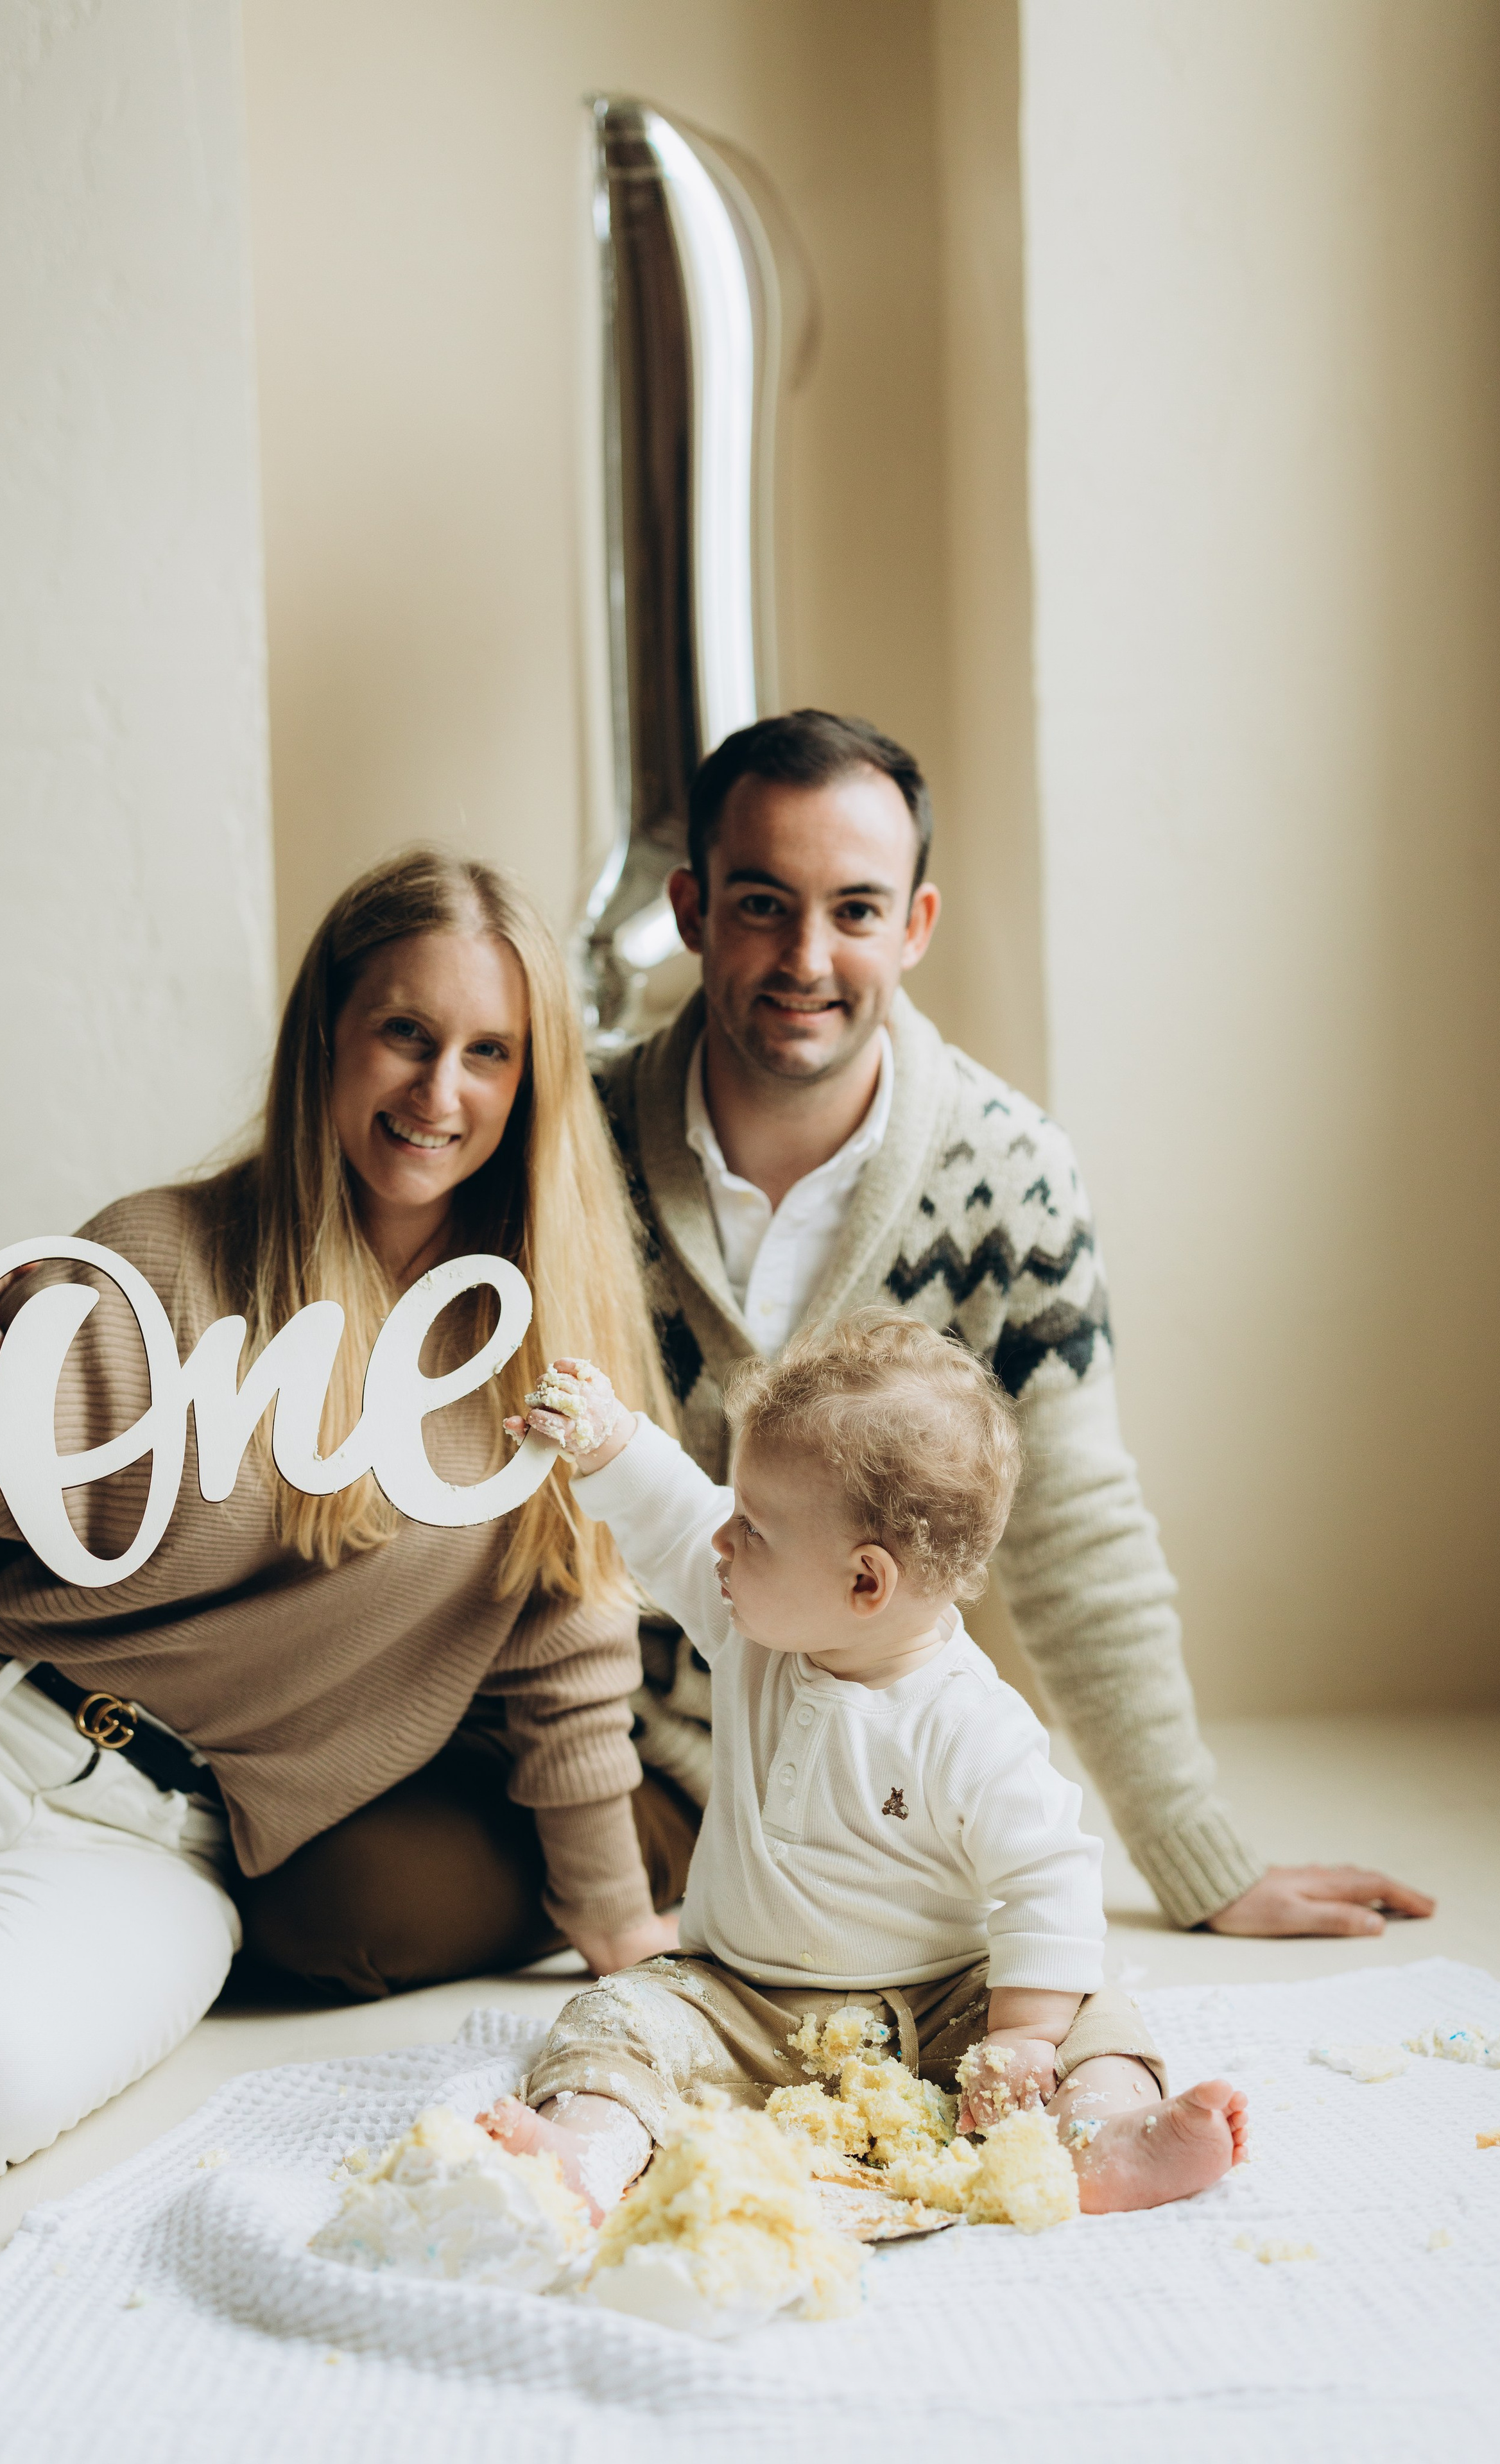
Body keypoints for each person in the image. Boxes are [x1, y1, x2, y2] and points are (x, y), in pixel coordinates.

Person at [0, 848, 685, 2181]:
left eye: (488, 1053)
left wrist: (620, 1933)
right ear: (328, 1035)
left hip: (166, 1838)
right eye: (405, 1033)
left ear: (531, 1083)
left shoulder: (545, 1354)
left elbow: (569, 1651)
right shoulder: (155, 1257)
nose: (439, 1092)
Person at [596, 708, 1435, 1941]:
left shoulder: (1010, 1174)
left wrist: (1198, 1859)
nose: (807, 957)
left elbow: (1074, 1524)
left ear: (916, 924)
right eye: (764, 903)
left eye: (857, 910)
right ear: (692, 908)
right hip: (596, 1756)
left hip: (873, 1780)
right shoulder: (578, 1136)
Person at [482, 1323, 1248, 2218]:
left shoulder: (972, 1724)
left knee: (1097, 2017)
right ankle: (591, 2149)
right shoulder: (749, 1628)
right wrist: (612, 1440)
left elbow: (1049, 1878)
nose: (723, 1538)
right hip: (742, 2000)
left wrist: (1027, 2035)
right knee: (616, 2015)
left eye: (752, 1526)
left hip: (944, 2005)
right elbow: (676, 1516)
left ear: (865, 1583)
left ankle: (1100, 2134)